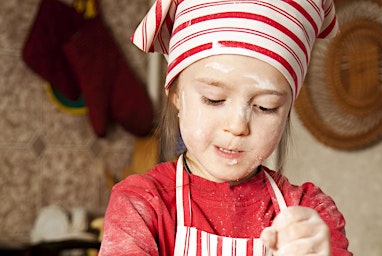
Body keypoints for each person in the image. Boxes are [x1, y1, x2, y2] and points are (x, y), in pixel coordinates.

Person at [99, 0, 352, 255]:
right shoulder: (141, 204)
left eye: (265, 106)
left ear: (287, 110)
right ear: (176, 93)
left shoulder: (310, 215)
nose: (237, 126)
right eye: (214, 99)